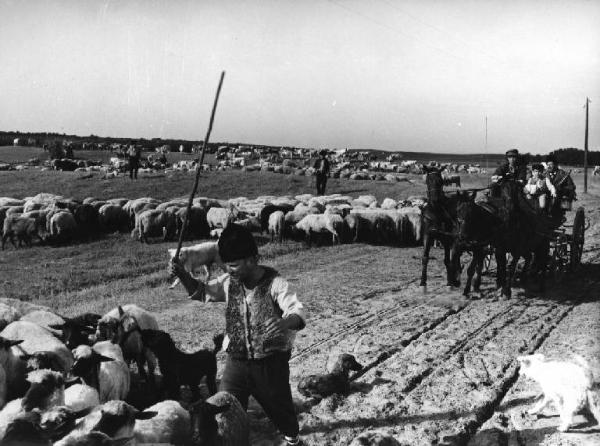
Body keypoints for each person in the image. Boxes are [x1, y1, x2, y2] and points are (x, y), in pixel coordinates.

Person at [169, 224, 306, 446]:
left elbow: (297, 310)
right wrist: (183, 275)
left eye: (234, 265)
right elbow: (201, 292)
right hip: (236, 363)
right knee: (224, 406)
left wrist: (285, 322)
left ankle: (293, 439)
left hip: (269, 365)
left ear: (252, 259)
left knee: (280, 408)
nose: (229, 270)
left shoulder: (276, 285)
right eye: (227, 265)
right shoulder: (228, 283)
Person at [544, 154, 576, 219]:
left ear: (555, 165)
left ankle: (552, 214)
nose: (549, 166)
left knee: (556, 196)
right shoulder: (544, 174)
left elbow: (572, 186)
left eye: (551, 164)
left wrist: (561, 189)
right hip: (547, 195)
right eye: (548, 165)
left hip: (559, 196)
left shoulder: (563, 173)